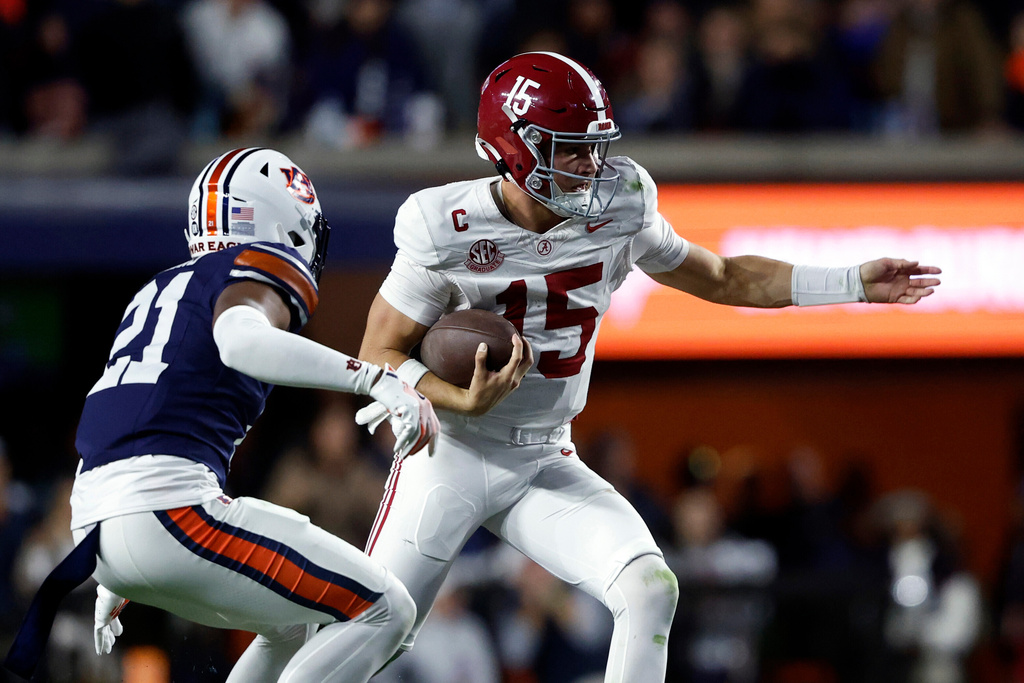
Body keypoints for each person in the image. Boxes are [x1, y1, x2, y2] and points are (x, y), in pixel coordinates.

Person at [355, 51, 941, 682]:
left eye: (595, 146)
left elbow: (723, 276)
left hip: (544, 456)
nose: (591, 165)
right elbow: (376, 353)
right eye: (572, 148)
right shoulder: (444, 225)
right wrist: (450, 396)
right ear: (514, 146)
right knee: (372, 629)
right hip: (452, 454)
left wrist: (852, 281)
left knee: (649, 587)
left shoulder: (620, 206)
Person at [4, 147, 439, 683]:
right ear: (281, 216)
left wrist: (114, 566)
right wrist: (375, 376)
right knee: (385, 607)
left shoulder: (159, 289)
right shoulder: (256, 268)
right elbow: (239, 341)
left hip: (95, 524)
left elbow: (123, 420)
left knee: (296, 622)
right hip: (170, 512)